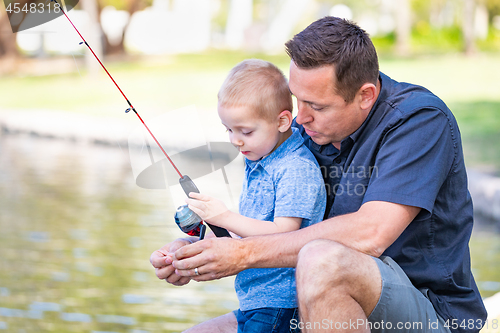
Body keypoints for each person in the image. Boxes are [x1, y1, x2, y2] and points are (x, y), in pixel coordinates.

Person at [150, 17, 488, 333]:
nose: (300, 118)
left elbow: (371, 233)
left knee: (322, 259)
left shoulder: (418, 122)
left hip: (432, 315)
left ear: (365, 96)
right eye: (298, 100)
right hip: (309, 308)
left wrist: (242, 255)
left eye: (318, 106)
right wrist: (199, 252)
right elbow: (274, 230)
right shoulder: (305, 136)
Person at [164, 59, 326, 332]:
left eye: (246, 131)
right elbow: (249, 231)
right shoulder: (260, 158)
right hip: (255, 301)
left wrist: (225, 216)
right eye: (228, 129)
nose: (234, 140)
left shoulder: (295, 168)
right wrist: (187, 251)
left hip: (282, 305)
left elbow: (284, 233)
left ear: (283, 121)